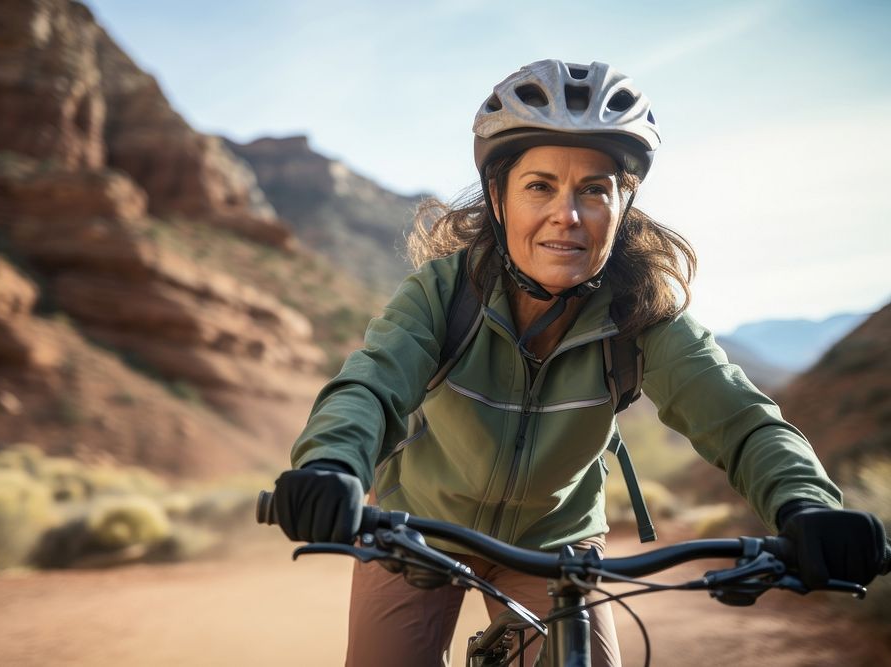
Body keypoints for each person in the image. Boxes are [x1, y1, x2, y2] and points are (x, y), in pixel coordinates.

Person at [271, 59, 888, 666]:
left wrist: (808, 507)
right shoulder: (444, 293)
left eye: (594, 190)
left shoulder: (642, 313)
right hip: (420, 528)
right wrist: (332, 463)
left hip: (558, 540)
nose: (566, 216)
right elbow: (370, 385)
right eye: (539, 186)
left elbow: (739, 416)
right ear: (498, 197)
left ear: (623, 205)